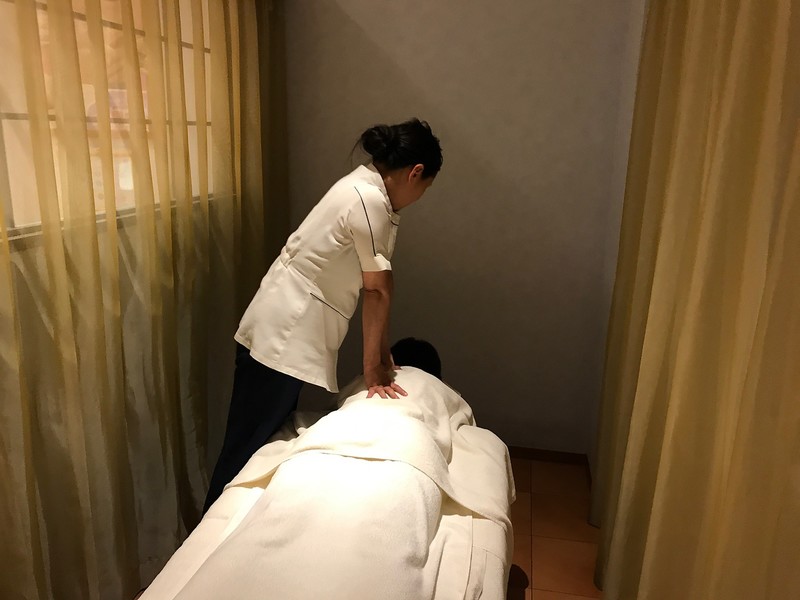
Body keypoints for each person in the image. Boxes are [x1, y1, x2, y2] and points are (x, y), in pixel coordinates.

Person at [203, 118, 443, 512]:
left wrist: (383, 354)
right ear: (415, 173)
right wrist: (373, 369)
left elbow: (379, 287)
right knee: (244, 451)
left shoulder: (363, 188)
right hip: (283, 335)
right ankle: (208, 532)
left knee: (257, 445)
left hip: (285, 331)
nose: (420, 197)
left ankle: (226, 524)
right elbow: (377, 289)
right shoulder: (367, 199)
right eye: (425, 188)